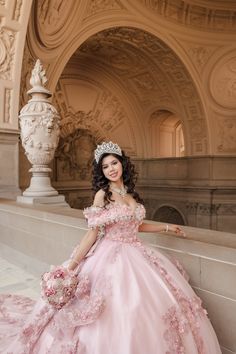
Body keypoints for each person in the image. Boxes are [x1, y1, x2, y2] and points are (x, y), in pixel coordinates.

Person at [0, 141, 221, 354]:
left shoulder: (131, 194)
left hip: (137, 252)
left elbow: (137, 224)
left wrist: (165, 227)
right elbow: (93, 232)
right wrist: (72, 265)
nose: (111, 169)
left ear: (122, 163)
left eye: (114, 163)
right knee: (117, 309)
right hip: (110, 255)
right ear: (101, 171)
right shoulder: (102, 195)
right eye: (105, 166)